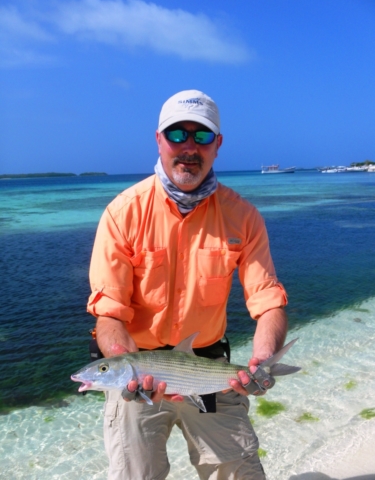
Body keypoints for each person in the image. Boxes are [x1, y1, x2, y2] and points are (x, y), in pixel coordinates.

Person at [87, 90, 288, 480]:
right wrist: (122, 362)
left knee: (240, 473)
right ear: (159, 139)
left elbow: (267, 301)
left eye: (202, 136)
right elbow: (108, 311)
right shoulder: (122, 214)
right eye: (178, 134)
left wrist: (263, 360)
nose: (189, 147)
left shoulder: (243, 217)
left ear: (218, 145)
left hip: (209, 370)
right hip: (139, 373)